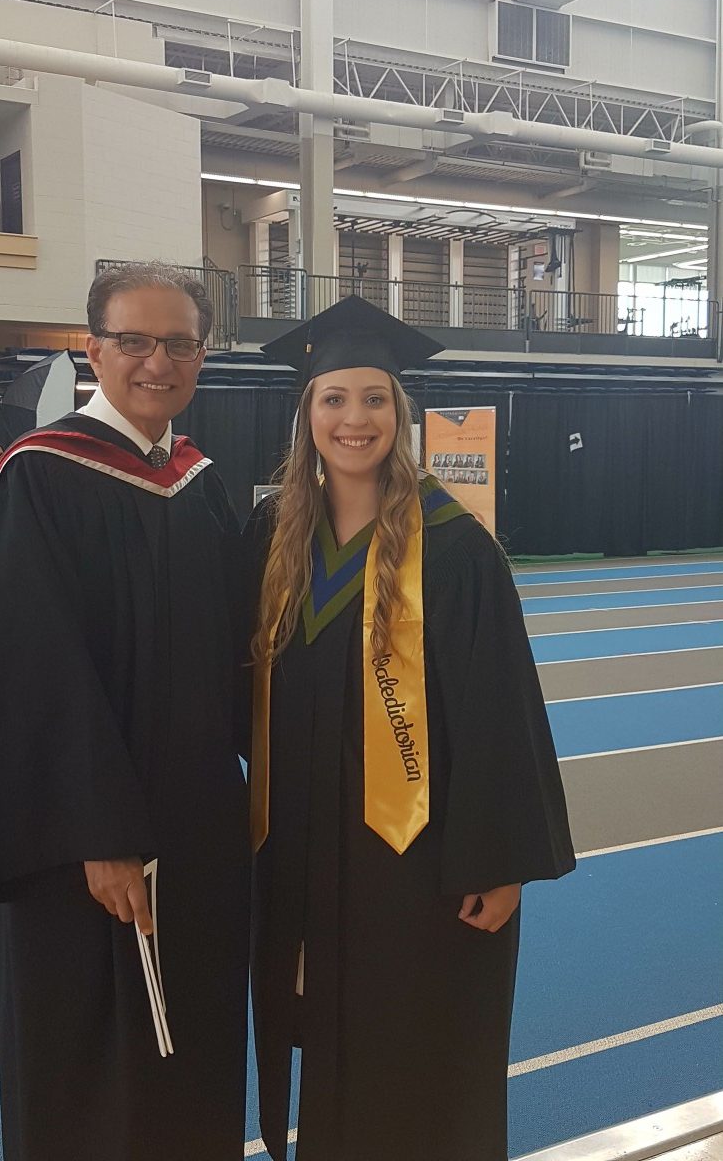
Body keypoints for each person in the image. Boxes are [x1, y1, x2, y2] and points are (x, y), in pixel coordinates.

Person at [242, 296, 575, 1161]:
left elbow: (501, 715)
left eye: (374, 399)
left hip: (418, 864)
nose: (355, 420)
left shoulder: (457, 549)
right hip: (303, 853)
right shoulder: (273, 543)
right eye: (334, 400)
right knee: (322, 1038)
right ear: (306, 414)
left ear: (402, 412)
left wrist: (501, 865)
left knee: (418, 1050)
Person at [0, 262, 250, 1161]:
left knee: (191, 1041)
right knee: (91, 1052)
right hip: (88, 842)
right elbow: (35, 668)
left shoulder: (200, 483)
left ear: (201, 356)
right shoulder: (41, 475)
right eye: (135, 340)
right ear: (93, 350)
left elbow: (242, 655)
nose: (158, 361)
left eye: (181, 343)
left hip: (198, 826)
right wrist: (101, 832)